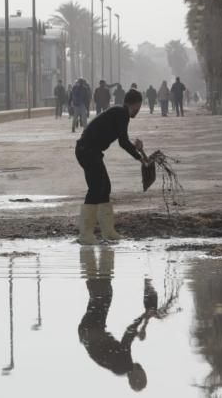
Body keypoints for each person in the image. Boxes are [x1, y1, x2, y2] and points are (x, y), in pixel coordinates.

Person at [75, 88, 144, 244]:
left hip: (90, 151)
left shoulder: (119, 113)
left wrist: (135, 148)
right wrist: (138, 157)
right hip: (87, 151)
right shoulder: (122, 113)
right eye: (137, 108)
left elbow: (123, 139)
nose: (137, 112)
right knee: (95, 188)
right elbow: (123, 142)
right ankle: (85, 235)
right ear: (131, 104)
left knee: (105, 188)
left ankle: (108, 232)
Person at [78, 246, 149, 392]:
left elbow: (128, 333)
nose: (142, 367)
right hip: (88, 332)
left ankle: (92, 254)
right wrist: (139, 329)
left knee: (102, 296)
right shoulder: (120, 367)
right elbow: (128, 337)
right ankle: (97, 257)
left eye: (143, 372)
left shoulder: (124, 365)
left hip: (92, 331)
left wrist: (144, 316)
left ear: (138, 376)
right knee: (101, 296)